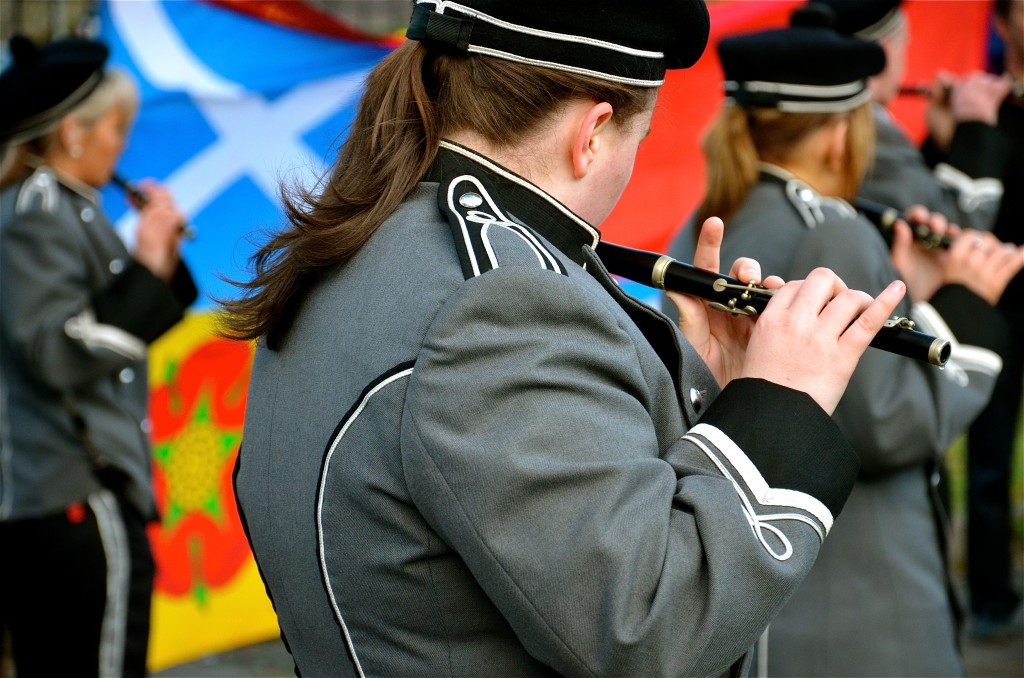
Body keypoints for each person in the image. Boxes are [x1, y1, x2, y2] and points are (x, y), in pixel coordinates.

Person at [220, 0, 912, 675]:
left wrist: (717, 400)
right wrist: (777, 405)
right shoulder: (501, 305)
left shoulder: (362, 249)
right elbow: (648, 628)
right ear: (592, 133)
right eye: (638, 141)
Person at [664, 7, 1024, 675]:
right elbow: (887, 424)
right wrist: (965, 306)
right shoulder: (836, 231)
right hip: (858, 603)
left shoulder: (708, 217)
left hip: (758, 584)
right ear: (837, 137)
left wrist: (906, 287)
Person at [815, 0, 1024, 641]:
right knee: (970, 449)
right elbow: (949, 227)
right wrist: (969, 129)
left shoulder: (873, 127)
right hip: (981, 300)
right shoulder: (869, 130)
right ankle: (986, 598)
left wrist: (950, 132)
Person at [0, 35, 196, 677]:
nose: (122, 146)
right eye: (117, 128)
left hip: (73, 498)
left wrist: (156, 263)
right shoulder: (38, 214)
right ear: (72, 134)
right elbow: (58, 351)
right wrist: (143, 263)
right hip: (74, 494)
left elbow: (123, 329)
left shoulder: (68, 210)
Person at [815, 0, 1013, 232]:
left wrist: (943, 144)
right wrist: (975, 126)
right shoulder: (870, 127)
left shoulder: (830, 113)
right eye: (905, 45)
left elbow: (910, 195)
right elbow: (957, 228)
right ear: (886, 52)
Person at [961, 0, 1024, 641]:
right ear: (1002, 25)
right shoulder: (983, 107)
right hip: (1000, 308)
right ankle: (990, 599)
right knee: (988, 457)